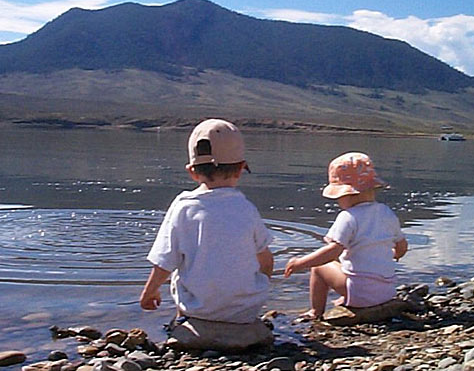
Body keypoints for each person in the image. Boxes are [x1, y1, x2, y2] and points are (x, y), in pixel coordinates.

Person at [140, 118, 273, 323]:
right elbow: (266, 259)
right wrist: (259, 284)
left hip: (198, 309)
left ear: (192, 172)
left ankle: (183, 319)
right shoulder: (246, 208)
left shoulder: (183, 206)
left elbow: (164, 261)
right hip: (246, 311)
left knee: (180, 272)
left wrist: (149, 292)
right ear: (241, 169)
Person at [284, 151, 408, 320]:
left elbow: (332, 252)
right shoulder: (386, 213)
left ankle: (315, 311)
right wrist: (394, 255)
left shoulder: (349, 217)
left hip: (362, 294)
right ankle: (348, 295)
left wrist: (299, 263)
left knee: (320, 267)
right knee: (348, 262)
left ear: (347, 194)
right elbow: (402, 246)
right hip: (387, 291)